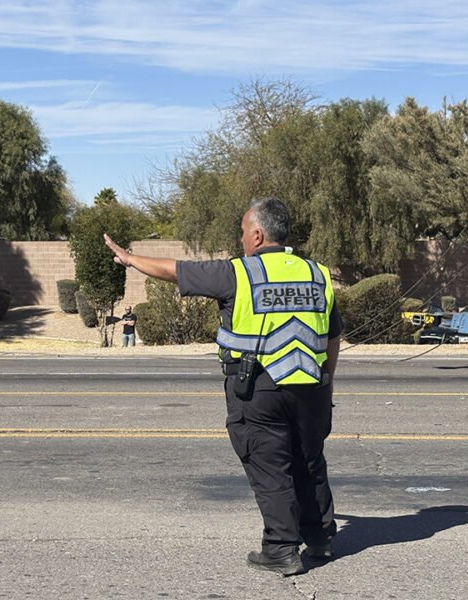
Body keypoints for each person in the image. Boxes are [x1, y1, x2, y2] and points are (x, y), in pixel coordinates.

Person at [104, 196, 341, 576]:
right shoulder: (318, 274)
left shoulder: (239, 273)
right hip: (311, 385)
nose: (242, 238)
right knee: (309, 461)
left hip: (260, 387)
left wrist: (131, 259)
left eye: (244, 231)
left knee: (270, 466)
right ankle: (320, 539)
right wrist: (326, 381)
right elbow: (332, 337)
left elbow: (174, 270)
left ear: (259, 235)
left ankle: (281, 549)